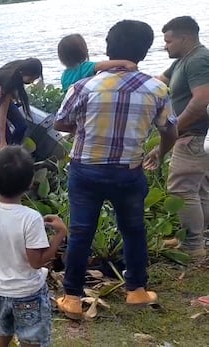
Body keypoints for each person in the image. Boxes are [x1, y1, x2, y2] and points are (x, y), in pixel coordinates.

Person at [53, 20, 178, 319]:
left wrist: (82, 126)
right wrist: (159, 152)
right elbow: (170, 130)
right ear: (145, 52)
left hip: (86, 171)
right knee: (133, 229)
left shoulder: (83, 86)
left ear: (109, 48)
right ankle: (136, 290)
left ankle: (72, 296)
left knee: (82, 232)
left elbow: (60, 123)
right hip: (128, 171)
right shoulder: (157, 88)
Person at [0, 146, 67, 347]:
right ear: (30, 182)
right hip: (27, 293)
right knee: (32, 341)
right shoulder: (30, 219)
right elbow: (36, 262)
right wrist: (60, 234)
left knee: (0, 334)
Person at [157, 16, 209, 259]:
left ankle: (193, 246)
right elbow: (158, 82)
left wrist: (175, 128)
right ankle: (198, 238)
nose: (164, 45)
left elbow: (201, 100)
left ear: (185, 38)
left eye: (168, 41)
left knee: (181, 190)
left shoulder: (197, 60)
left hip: (193, 136)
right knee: (199, 190)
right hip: (193, 137)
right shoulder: (182, 61)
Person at [0, 58, 43, 150]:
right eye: (32, 78)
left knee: (21, 126)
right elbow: (3, 115)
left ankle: (14, 149)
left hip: (2, 96)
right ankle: (1, 148)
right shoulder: (9, 81)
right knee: (6, 135)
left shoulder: (19, 69)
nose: (32, 82)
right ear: (26, 72)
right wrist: (3, 141)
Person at [57, 33, 138, 91]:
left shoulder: (65, 75)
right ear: (83, 51)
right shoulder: (85, 67)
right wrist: (125, 62)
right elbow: (101, 65)